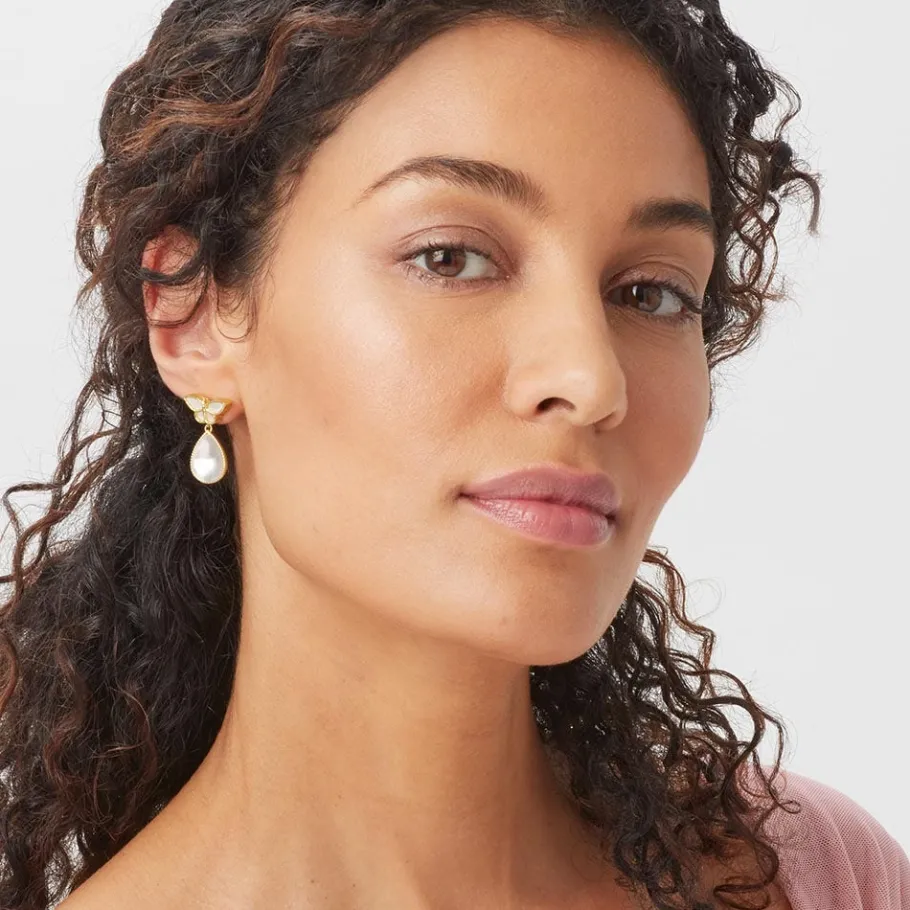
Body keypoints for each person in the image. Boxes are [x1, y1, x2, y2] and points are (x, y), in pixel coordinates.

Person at [0, 1, 905, 909]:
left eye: (650, 293)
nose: (591, 378)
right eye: (450, 258)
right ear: (191, 316)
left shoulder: (817, 875)